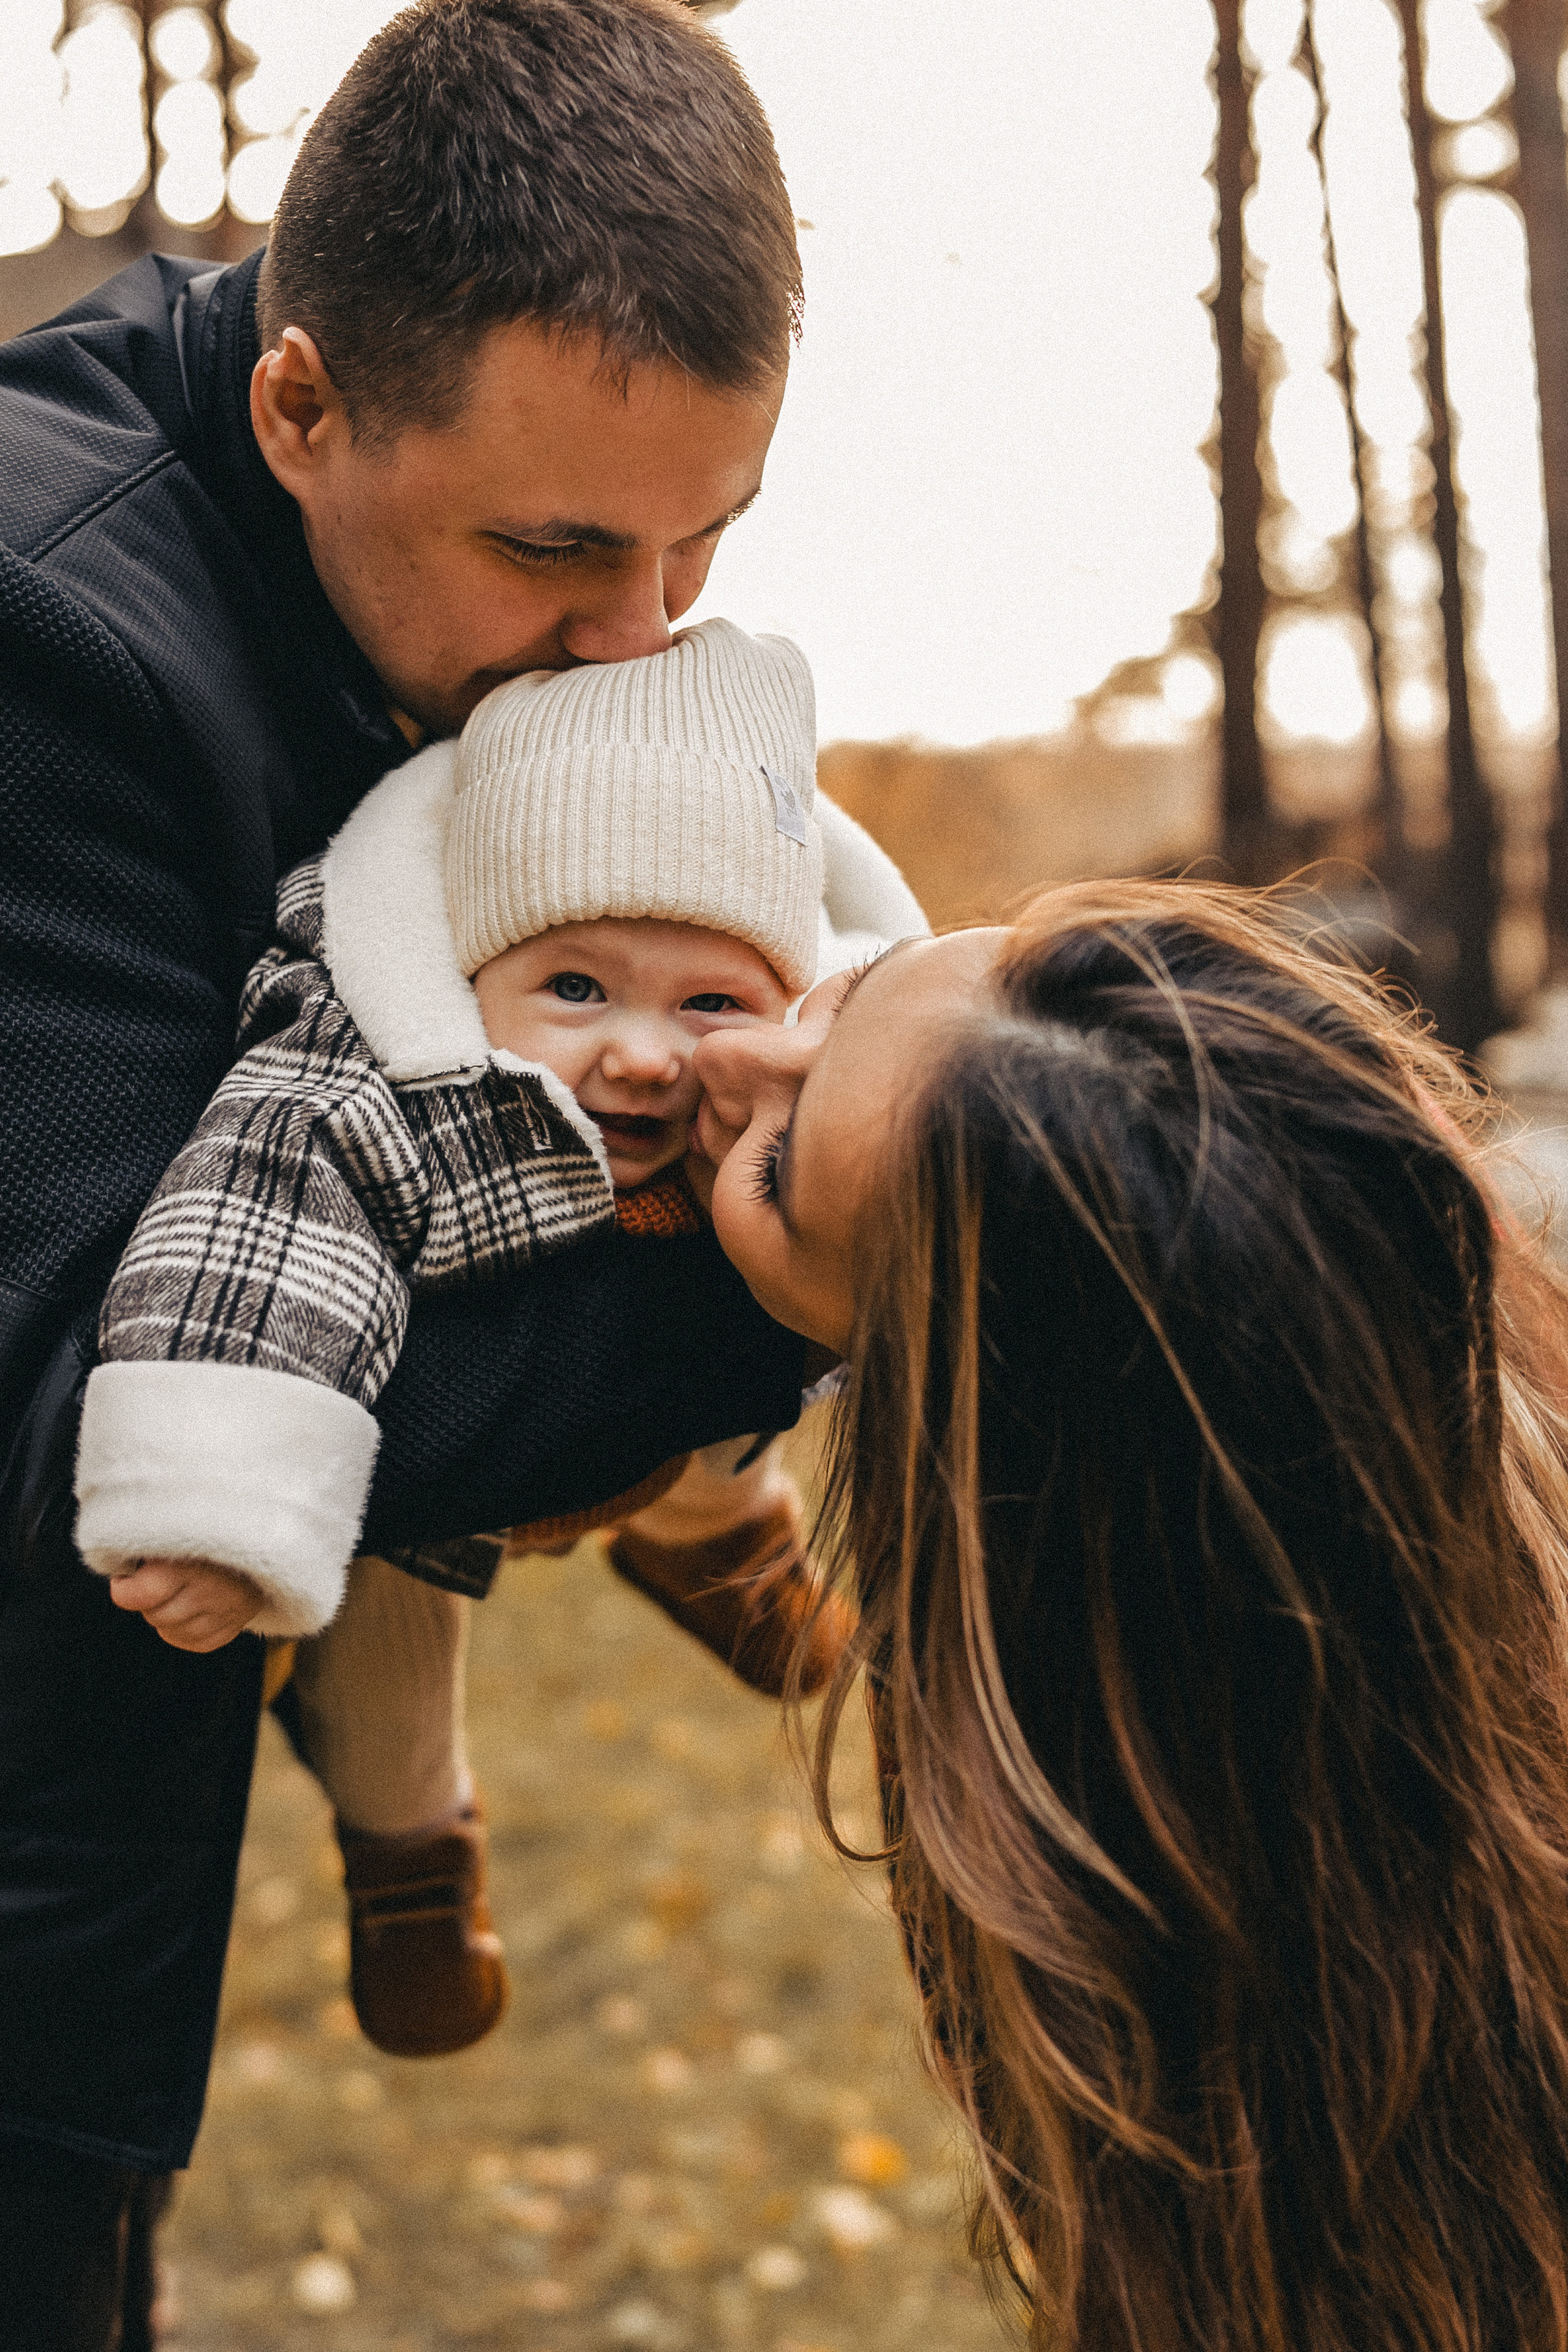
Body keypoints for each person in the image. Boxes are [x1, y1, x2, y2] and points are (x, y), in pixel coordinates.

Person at [0, 0, 811, 2334]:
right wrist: (780, 1266)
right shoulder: (46, 639)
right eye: (559, 549)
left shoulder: (483, 618)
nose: (638, 640)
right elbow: (83, 1426)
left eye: (707, 544)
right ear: (299, 404)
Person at [694, 879, 1568, 2352]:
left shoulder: (1207, 2047)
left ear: (980, 1438)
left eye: (779, 1169)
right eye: (847, 992)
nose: (726, 1061)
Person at [74, 617, 911, 2060]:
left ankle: (714, 1535)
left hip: (670, 1399)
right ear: (469, 973)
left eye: (708, 1001)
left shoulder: (782, 1084)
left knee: (748, 1304)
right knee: (384, 1632)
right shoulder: (371, 1087)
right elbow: (258, 1243)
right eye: (574, 989)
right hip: (452, 1457)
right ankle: (412, 1862)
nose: (641, 1054)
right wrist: (218, 1505)